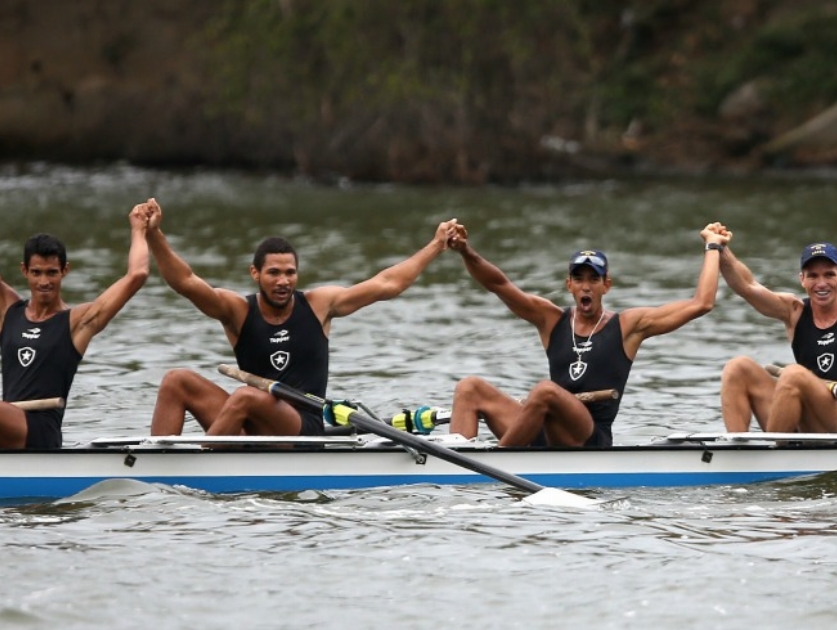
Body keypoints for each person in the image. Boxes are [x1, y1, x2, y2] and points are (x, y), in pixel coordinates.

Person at [145, 199, 462, 437]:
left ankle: (201, 461)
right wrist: (155, 234)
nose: (283, 281)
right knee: (176, 380)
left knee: (245, 398)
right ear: (255, 273)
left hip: (302, 427)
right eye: (273, 273)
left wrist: (435, 246)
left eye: (290, 273)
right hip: (252, 424)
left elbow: (386, 284)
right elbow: (185, 282)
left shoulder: (319, 305)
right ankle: (154, 465)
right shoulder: (237, 310)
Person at [447, 222, 731, 447]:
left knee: (545, 391)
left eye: (594, 279)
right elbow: (498, 284)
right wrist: (465, 251)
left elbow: (701, 303)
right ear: (568, 284)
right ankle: (453, 467)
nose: (586, 287)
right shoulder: (550, 319)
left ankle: (497, 461)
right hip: (543, 427)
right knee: (469, 388)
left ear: (606, 285)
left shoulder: (628, 326)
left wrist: (713, 246)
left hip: (588, 437)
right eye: (579, 279)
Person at [0, 202, 152, 448]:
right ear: (24, 271)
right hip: (7, 427)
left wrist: (139, 229)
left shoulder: (77, 322)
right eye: (36, 272)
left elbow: (137, 275)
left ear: (65, 271)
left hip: (40, 432)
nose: (44, 281)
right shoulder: (9, 310)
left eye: (52, 272)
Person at [719, 242, 837, 433]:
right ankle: (737, 452)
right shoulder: (795, 311)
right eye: (813, 276)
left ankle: (774, 452)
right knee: (737, 368)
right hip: (804, 416)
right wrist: (720, 249)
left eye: (829, 275)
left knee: (793, 374)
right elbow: (747, 286)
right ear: (802, 280)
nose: (821, 283)